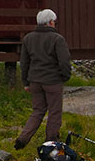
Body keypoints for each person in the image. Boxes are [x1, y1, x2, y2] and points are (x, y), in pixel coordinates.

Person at [15, 8, 72, 150]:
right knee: (54, 112)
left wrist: (26, 82)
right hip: (53, 81)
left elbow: (24, 62)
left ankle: (23, 139)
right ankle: (51, 142)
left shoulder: (28, 38)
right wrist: (65, 77)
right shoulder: (57, 39)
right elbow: (64, 61)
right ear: (51, 22)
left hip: (35, 81)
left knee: (37, 111)